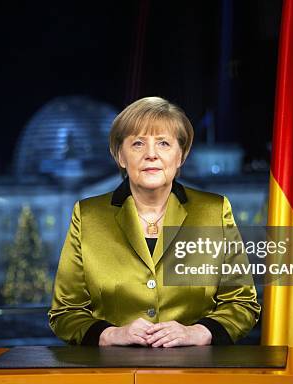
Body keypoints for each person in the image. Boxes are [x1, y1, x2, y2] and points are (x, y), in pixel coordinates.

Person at [48, 96, 260, 347]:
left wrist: (200, 332)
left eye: (163, 143)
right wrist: (110, 334)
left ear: (180, 155)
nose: (151, 155)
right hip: (112, 373)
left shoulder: (214, 210)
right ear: (120, 156)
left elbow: (242, 304)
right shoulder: (88, 216)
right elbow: (65, 312)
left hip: (194, 373)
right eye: (138, 143)